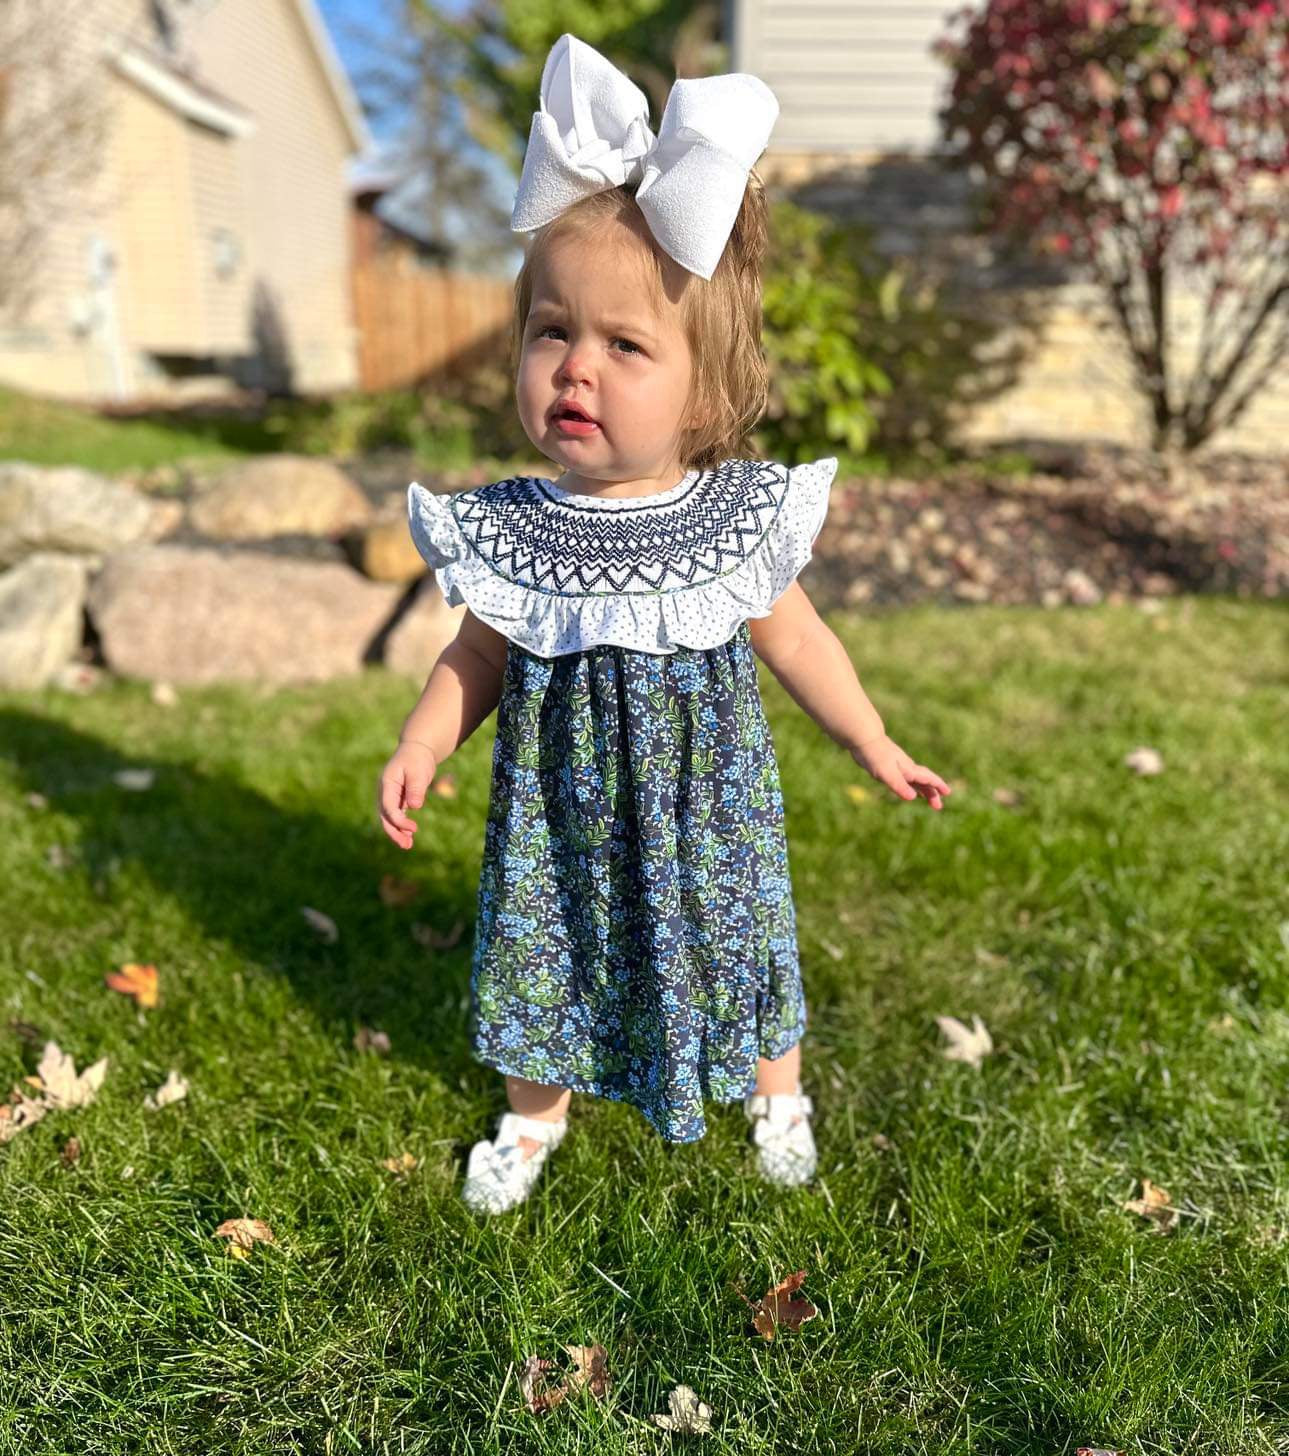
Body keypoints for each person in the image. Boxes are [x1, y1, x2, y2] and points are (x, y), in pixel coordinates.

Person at [376, 34, 951, 1216]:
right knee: (547, 945)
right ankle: (532, 1114)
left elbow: (798, 639)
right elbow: (478, 650)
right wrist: (425, 739)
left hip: (708, 810)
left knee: (738, 941)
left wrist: (872, 739)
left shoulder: (728, 522)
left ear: (704, 384)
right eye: (551, 331)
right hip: (557, 817)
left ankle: (774, 1087)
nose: (574, 368)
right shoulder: (521, 530)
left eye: (624, 345)